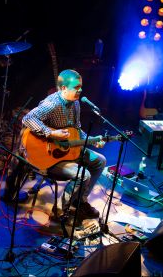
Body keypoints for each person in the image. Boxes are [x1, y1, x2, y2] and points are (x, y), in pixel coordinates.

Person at [21, 69, 107, 223]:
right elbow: (28, 118)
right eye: (76, 87)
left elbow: (77, 131)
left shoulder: (76, 104)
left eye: (81, 86)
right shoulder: (52, 103)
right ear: (63, 88)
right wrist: (51, 133)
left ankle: (79, 201)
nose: (80, 90)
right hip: (50, 157)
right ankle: (60, 209)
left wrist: (92, 140)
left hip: (68, 151)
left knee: (100, 161)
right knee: (83, 175)